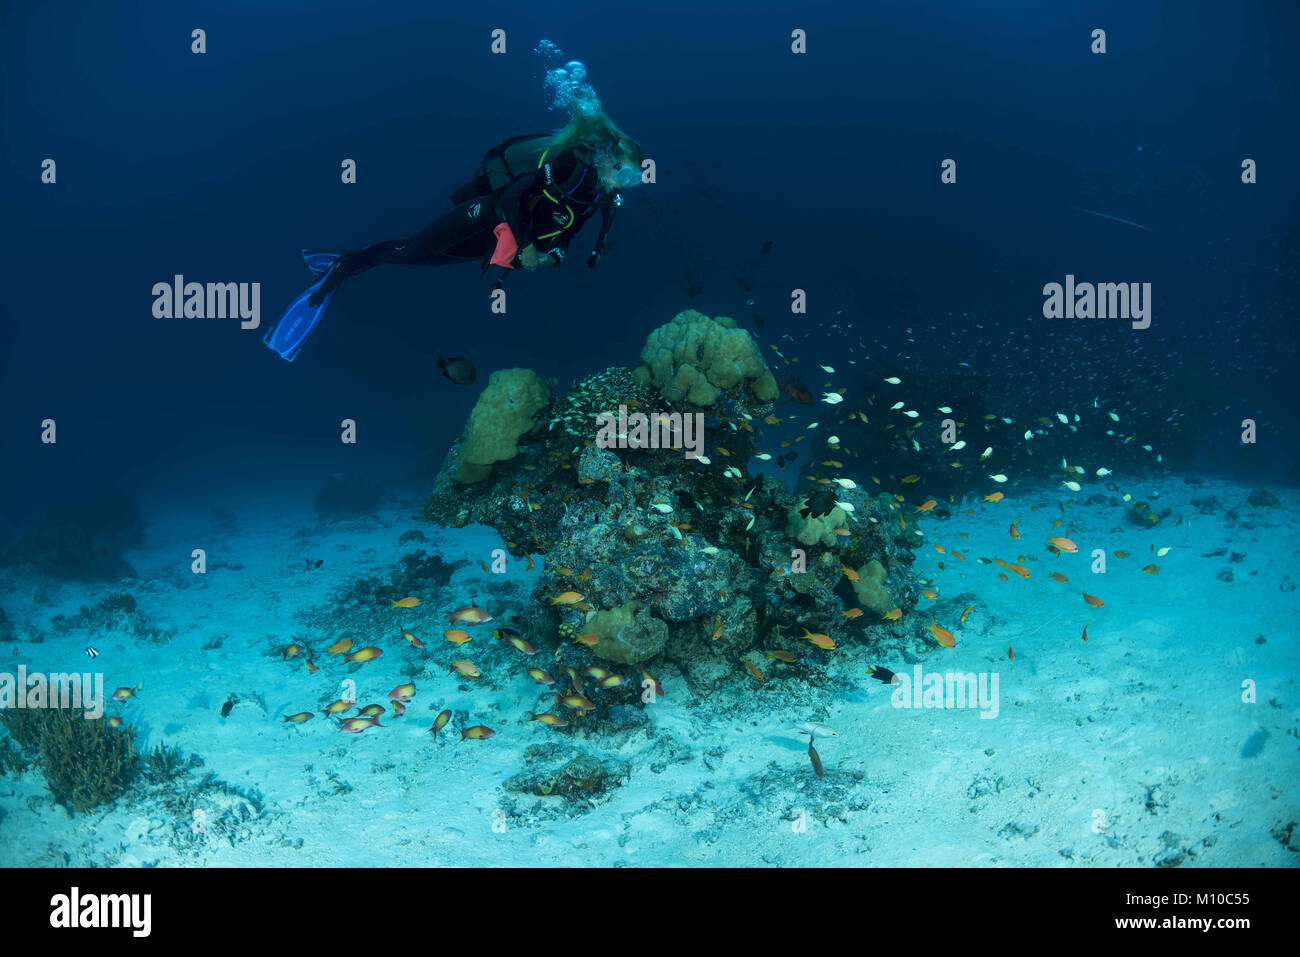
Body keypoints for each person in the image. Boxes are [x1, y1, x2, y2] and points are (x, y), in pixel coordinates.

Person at [263, 110, 643, 361]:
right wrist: (526, 245)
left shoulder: (599, 198)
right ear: (607, 159)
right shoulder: (569, 168)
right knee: (413, 251)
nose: (626, 184)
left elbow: (567, 235)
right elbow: (510, 197)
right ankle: (342, 268)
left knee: (427, 260)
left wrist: (549, 258)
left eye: (634, 180)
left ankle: (354, 258)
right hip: (490, 213)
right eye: (625, 173)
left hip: (504, 239)